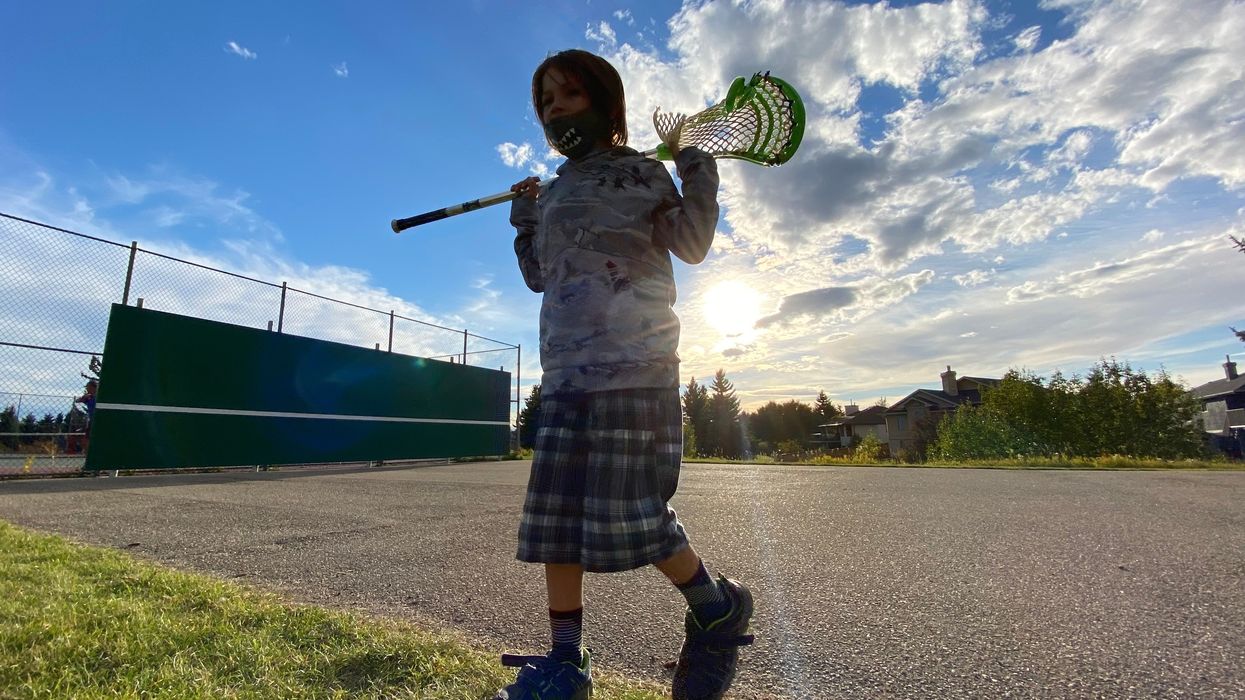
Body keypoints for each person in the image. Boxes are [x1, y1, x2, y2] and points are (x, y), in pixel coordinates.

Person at [498, 49, 754, 700]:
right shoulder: (553, 192)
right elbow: (538, 276)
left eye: (569, 95)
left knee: (631, 514)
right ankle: (565, 661)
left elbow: (692, 242)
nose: (555, 110)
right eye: (546, 102)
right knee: (556, 523)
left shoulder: (644, 173)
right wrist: (525, 218)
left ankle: (718, 609)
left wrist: (694, 160)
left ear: (605, 103)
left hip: (636, 368)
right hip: (565, 374)